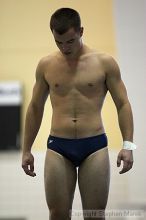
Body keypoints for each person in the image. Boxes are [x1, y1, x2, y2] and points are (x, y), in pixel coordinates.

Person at [22, 8, 136, 220]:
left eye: (70, 41)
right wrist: (26, 149)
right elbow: (35, 107)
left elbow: (123, 104)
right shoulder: (46, 65)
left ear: (81, 31)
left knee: (94, 215)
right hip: (58, 146)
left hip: (94, 146)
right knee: (57, 214)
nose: (65, 48)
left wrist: (128, 146)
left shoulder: (104, 63)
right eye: (59, 42)